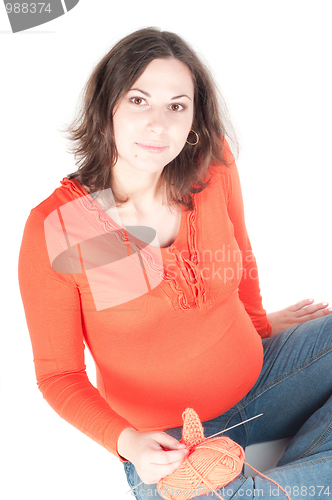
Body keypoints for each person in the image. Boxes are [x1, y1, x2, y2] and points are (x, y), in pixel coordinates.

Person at [18, 28, 332, 500]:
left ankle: (274, 480)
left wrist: (261, 326)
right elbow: (58, 375)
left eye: (177, 106)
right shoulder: (67, 227)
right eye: (139, 100)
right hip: (166, 442)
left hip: (262, 380)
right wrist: (130, 444)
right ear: (107, 109)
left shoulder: (211, 165)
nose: (158, 125)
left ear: (194, 120)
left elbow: (241, 257)